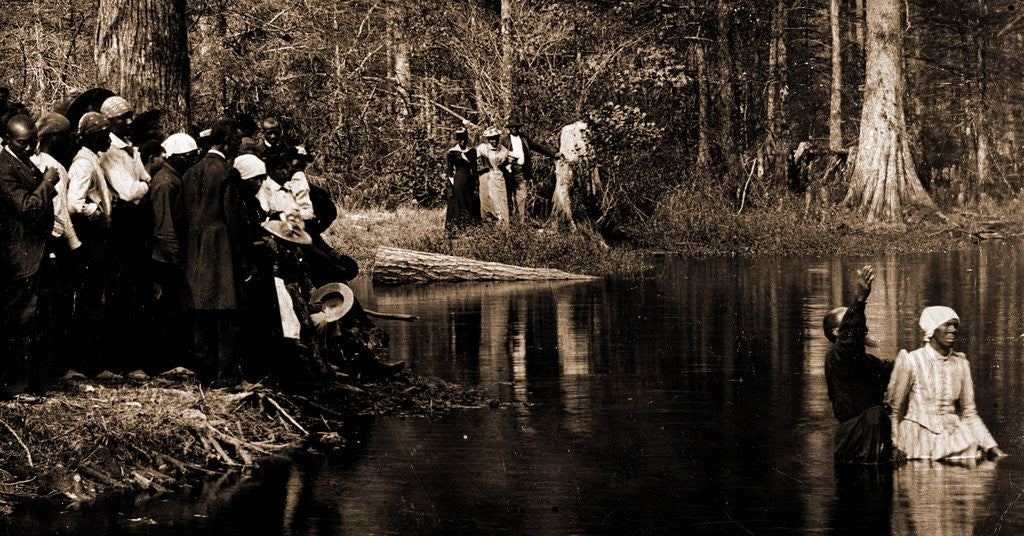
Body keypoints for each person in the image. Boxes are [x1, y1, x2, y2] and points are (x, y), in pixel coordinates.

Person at [885, 306, 1007, 460]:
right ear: (932, 329)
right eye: (947, 324)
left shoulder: (961, 364)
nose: (953, 330)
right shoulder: (911, 360)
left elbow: (969, 413)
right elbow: (892, 410)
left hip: (953, 436)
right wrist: (893, 445)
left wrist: (992, 446)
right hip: (916, 439)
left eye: (955, 325)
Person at [181, 119, 247, 384]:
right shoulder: (227, 173)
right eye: (238, 139)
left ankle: (203, 373)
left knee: (201, 311)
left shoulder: (189, 173)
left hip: (195, 249)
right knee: (226, 312)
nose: (240, 144)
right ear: (227, 141)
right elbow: (233, 219)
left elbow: (181, 214)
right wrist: (246, 260)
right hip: (220, 249)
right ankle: (225, 374)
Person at [0, 115, 59, 396]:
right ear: (7, 140)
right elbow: (26, 207)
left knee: (35, 319)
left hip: (35, 252)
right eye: (22, 143)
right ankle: (16, 386)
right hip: (18, 255)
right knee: (19, 321)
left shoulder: (22, 162)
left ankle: (35, 382)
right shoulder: (3, 169)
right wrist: (48, 182)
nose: (28, 147)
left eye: (32, 142)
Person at [823, 265, 894, 464]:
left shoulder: (867, 362)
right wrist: (860, 300)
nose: (862, 326)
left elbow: (895, 370)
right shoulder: (839, 357)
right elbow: (849, 339)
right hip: (857, 437)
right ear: (838, 332)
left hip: (871, 432)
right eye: (849, 320)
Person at [31, 112, 81, 379]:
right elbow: (60, 212)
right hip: (54, 241)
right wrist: (73, 245)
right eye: (64, 135)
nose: (69, 140)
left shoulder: (33, 161)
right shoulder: (54, 167)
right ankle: (57, 367)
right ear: (51, 138)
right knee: (56, 307)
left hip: (39, 241)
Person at [66, 112, 115, 375]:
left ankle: (91, 363)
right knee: (89, 301)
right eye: (104, 133)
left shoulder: (92, 160)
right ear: (93, 136)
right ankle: (85, 364)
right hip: (90, 237)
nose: (108, 137)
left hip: (97, 237)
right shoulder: (84, 164)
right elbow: (74, 201)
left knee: (94, 300)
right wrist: (94, 211)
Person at [149, 133, 199, 373]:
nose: (192, 161)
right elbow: (165, 226)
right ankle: (165, 363)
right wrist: (177, 259)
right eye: (188, 157)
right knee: (167, 312)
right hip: (166, 258)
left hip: (173, 256)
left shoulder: (176, 179)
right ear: (177, 157)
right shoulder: (166, 182)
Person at [503, 117, 556, 222]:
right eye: (511, 127)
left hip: (520, 171)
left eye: (516, 127)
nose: (514, 128)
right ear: (509, 128)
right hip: (508, 172)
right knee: (507, 196)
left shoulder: (524, 139)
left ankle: (520, 222)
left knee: (521, 197)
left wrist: (553, 154)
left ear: (519, 127)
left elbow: (538, 147)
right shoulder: (504, 140)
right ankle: (508, 221)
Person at [444, 127, 479, 230]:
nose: (462, 142)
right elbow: (450, 172)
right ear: (457, 140)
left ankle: (470, 228)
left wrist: (477, 184)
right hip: (458, 182)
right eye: (460, 139)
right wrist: (450, 187)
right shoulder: (452, 152)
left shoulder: (472, 151)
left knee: (470, 204)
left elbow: (475, 169)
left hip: (469, 182)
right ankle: (458, 228)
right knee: (458, 204)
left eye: (464, 139)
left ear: (467, 139)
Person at [476, 127, 512, 226]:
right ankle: (489, 224)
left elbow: (507, 163)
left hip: (499, 177)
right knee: (487, 201)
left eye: (495, 138)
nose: (493, 141)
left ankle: (502, 225)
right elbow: (472, 157)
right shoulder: (484, 148)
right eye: (491, 138)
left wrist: (509, 166)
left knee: (499, 200)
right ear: (488, 139)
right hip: (487, 177)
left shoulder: (503, 150)